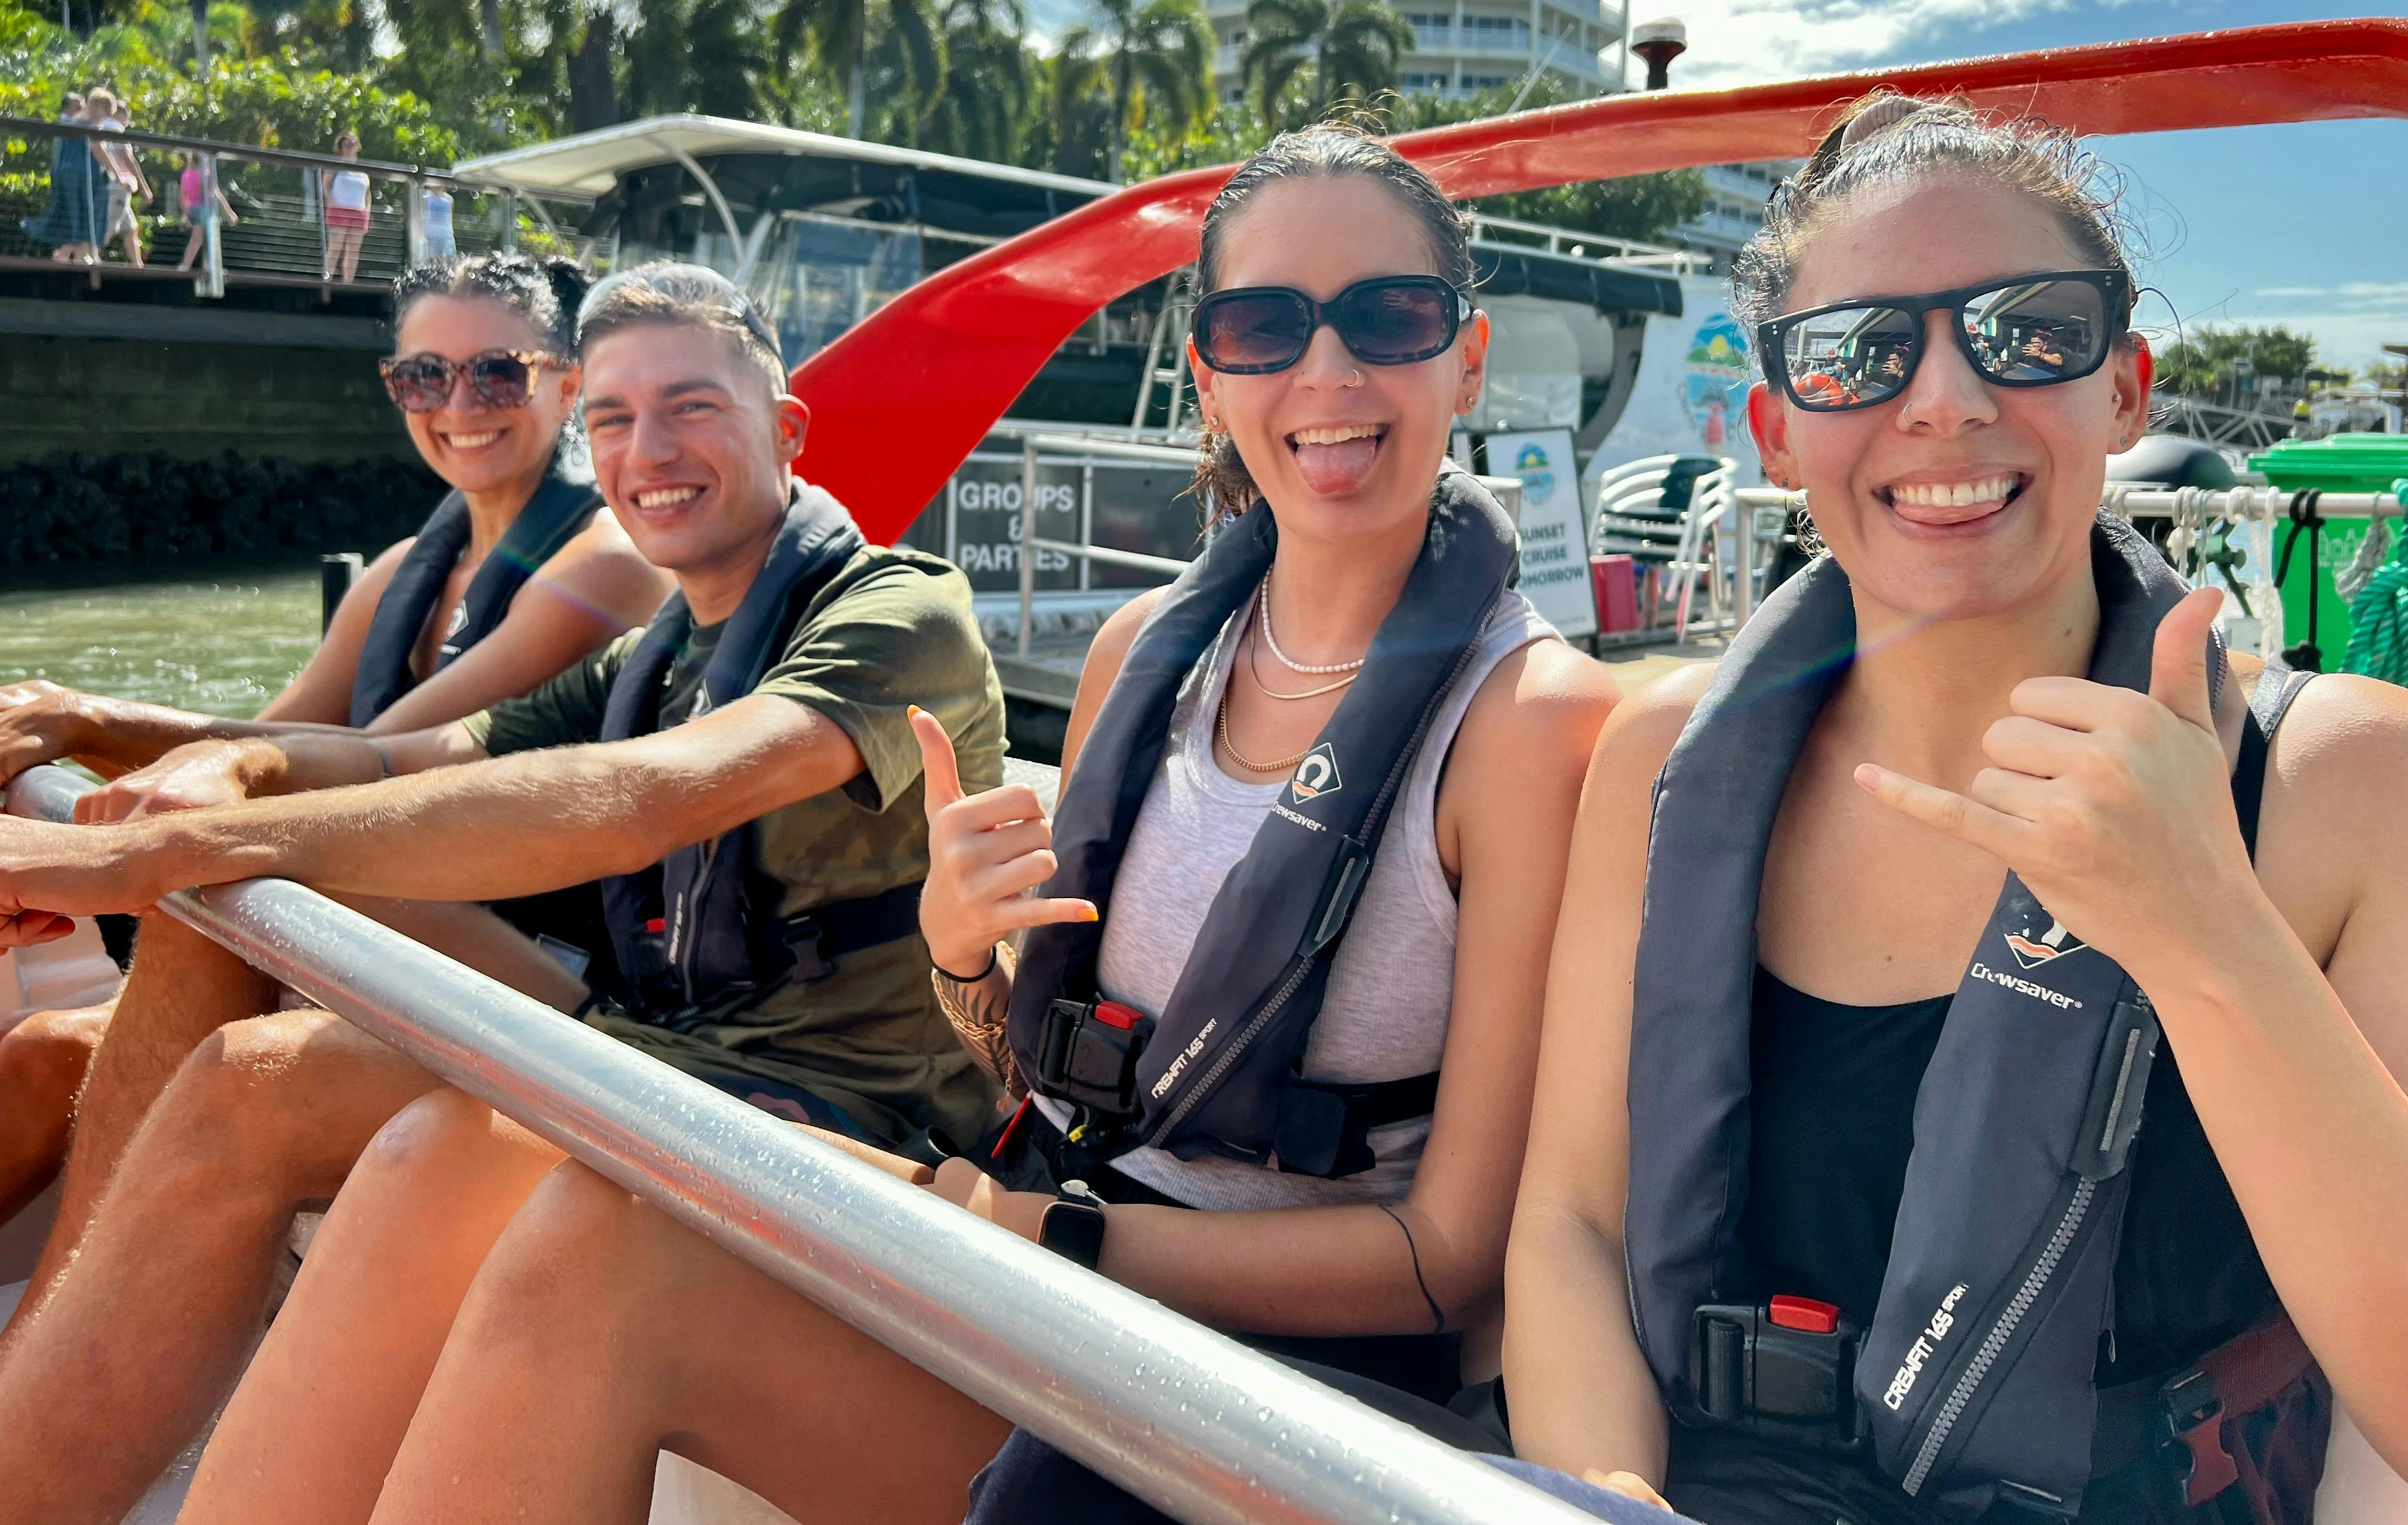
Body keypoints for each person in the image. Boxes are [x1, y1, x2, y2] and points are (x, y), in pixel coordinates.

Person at [158, 124, 1623, 1525]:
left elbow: (1443, 1262)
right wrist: (964, 963)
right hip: (1047, 1276)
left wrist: (1030, 1232)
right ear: (1207, 370)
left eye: (1390, 314)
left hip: (1275, 1396)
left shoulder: (1533, 727)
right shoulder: (1135, 663)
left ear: (1468, 352)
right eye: (1265, 328)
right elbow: (1048, 1080)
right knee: (550, 1210)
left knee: (601, 1246)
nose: (1328, 369)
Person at [1498, 95, 2408, 1523]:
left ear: (2124, 387)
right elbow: (1570, 1225)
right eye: (1859, 354)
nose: (1945, 400)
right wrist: (1611, 1501)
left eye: (2027, 329)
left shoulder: (2342, 785)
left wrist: (2205, 931)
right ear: (1779, 431)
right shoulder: (1664, 758)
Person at [0, 260, 1006, 1523]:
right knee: (243, 1074)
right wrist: (229, 761)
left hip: (851, 1122)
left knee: (267, 1033)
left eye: (693, 407)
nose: (652, 450)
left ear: (786, 427)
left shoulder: (901, 609)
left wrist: (132, 856)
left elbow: (654, 796)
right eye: (618, 420)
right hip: (659, 1061)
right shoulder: (660, 651)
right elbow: (395, 755)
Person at [0, 254, 664, 1265]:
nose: (458, 404)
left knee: (67, 1049)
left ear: (566, 383)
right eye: (422, 377)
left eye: (496, 372)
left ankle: (45, 1355)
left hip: (506, 966)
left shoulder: (604, 567)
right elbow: (260, 737)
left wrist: (81, 717)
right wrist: (67, 742)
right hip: (352, 936)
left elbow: (358, 759)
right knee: (42, 1057)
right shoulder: (403, 569)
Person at [20, 93, 103, 264]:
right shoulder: (66, 123)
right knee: (73, 214)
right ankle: (68, 254)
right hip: (68, 176)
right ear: (67, 106)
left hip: (69, 175)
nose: (82, 108)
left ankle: (74, 254)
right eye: (78, 105)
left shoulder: (73, 122)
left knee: (76, 214)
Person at [87, 88, 150, 266]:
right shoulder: (115, 128)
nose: (128, 123)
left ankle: (137, 265)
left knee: (130, 228)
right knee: (110, 225)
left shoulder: (100, 126)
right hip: (117, 186)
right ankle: (89, 255)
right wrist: (144, 188)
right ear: (120, 114)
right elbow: (127, 159)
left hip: (111, 184)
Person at [174, 151, 239, 271]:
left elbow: (183, 196)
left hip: (192, 209)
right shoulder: (206, 175)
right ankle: (203, 267)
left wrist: (185, 214)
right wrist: (230, 213)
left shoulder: (187, 175)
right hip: (204, 210)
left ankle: (196, 266)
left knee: (199, 239)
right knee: (210, 239)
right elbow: (217, 194)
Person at [322, 130, 370, 282]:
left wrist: (367, 210)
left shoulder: (363, 171)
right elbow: (326, 186)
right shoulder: (336, 167)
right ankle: (328, 279)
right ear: (341, 148)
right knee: (336, 246)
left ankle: (348, 282)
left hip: (359, 212)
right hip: (339, 210)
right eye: (346, 145)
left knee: (353, 251)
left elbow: (368, 193)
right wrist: (332, 202)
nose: (349, 148)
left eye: (352, 144)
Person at [420, 177, 457, 262]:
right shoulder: (425, 198)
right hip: (431, 235)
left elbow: (450, 217)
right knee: (430, 261)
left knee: (448, 261)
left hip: (445, 235)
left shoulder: (449, 200)